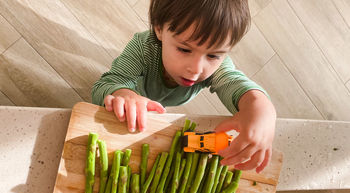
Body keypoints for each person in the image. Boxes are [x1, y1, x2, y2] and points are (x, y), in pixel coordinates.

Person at [92, 0, 276, 173]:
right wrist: (123, 94)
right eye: (185, 50)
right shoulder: (143, 47)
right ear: (159, 29)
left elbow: (238, 85)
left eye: (213, 56)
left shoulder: (219, 67)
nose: (196, 69)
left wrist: (262, 109)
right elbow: (107, 84)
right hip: (138, 93)